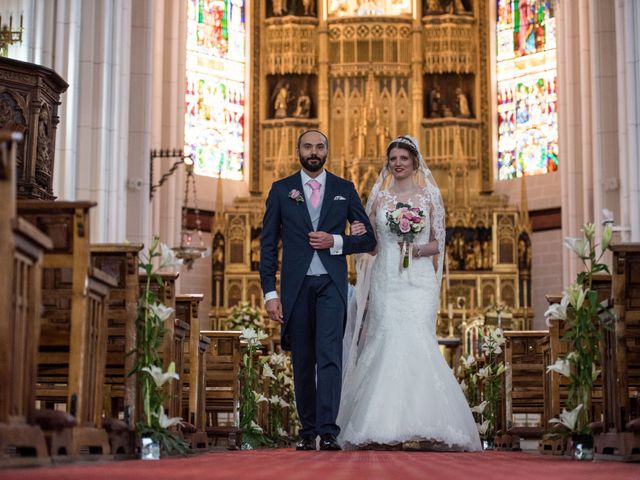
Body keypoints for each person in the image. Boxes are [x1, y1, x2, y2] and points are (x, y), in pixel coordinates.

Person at [338, 135, 481, 451]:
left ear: (415, 162)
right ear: (388, 164)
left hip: (418, 281)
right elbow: (370, 244)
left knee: (418, 338)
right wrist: (359, 235)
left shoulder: (429, 196)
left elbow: (437, 244)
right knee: (387, 337)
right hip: (388, 276)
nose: (398, 163)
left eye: (404, 158)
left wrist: (415, 249)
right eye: (393, 159)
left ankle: (427, 423)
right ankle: (384, 422)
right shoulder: (378, 199)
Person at [259, 130, 377, 451]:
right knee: (303, 359)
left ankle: (328, 431)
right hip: (296, 289)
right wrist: (270, 293)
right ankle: (307, 430)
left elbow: (368, 240)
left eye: (320, 146)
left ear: (328, 151)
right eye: (308, 146)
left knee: (329, 358)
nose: (314, 151)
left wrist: (336, 241)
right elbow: (268, 245)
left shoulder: (344, 189)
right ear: (297, 150)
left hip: (331, 286)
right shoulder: (282, 190)